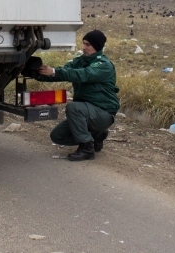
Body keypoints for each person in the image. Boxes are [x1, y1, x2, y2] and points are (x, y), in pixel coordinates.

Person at [34, 30, 119, 161]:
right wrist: (39, 74)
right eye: (83, 43)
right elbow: (62, 72)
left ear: (97, 46)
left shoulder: (104, 65)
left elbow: (82, 74)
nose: (84, 47)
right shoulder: (80, 61)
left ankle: (87, 148)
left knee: (73, 108)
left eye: (88, 44)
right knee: (57, 136)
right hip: (87, 112)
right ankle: (96, 135)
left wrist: (54, 72)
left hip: (103, 113)